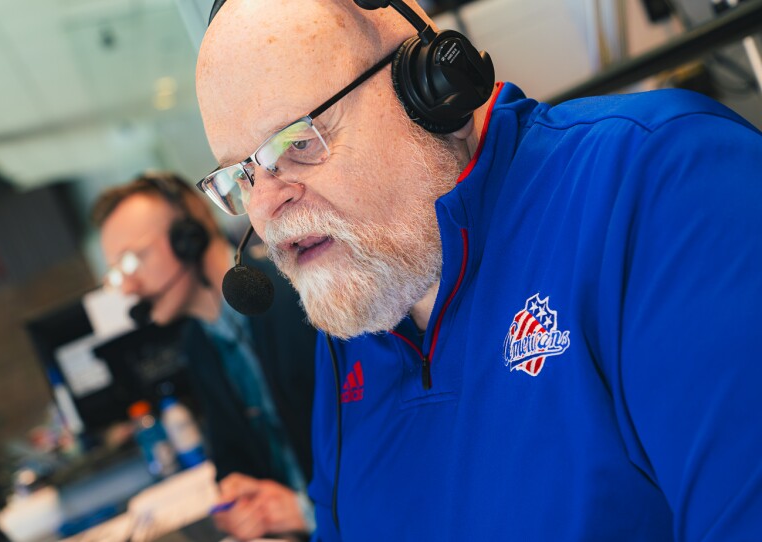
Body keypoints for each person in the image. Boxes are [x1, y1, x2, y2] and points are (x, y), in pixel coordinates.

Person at [195, 1, 762, 540]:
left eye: (296, 141)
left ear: (428, 90)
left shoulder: (660, 184)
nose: (266, 210)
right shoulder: (358, 316)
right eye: (240, 177)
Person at [92, 172, 316, 540]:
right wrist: (237, 497)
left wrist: (308, 513)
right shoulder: (198, 344)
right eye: (118, 274)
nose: (128, 288)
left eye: (132, 263)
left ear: (188, 238)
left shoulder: (295, 295)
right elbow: (231, 457)